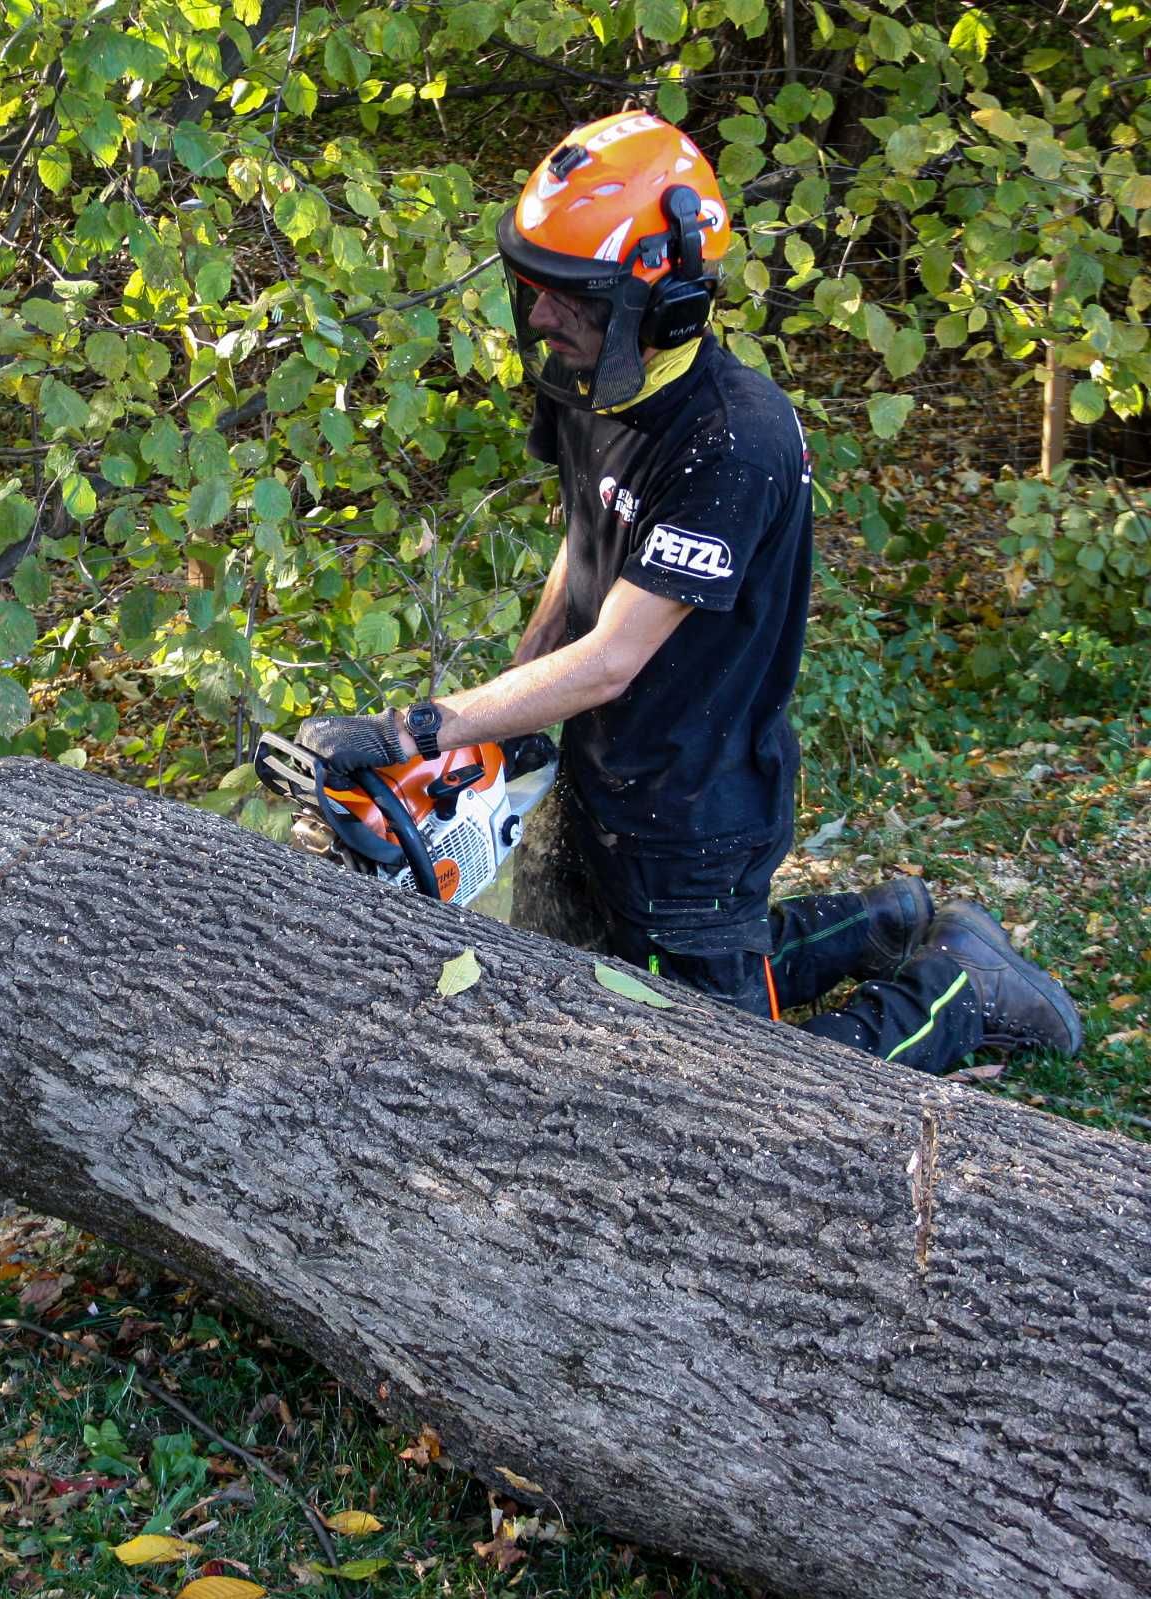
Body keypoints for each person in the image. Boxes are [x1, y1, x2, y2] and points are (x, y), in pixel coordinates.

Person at [298, 109, 1080, 1072]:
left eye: (570, 299)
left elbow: (619, 653)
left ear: (662, 300)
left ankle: (959, 993)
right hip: (607, 765)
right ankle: (884, 920)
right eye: (534, 290)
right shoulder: (591, 378)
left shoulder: (731, 440)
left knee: (730, 1080)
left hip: (696, 807)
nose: (542, 317)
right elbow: (583, 539)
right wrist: (514, 710)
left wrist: (419, 729)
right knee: (630, 976)